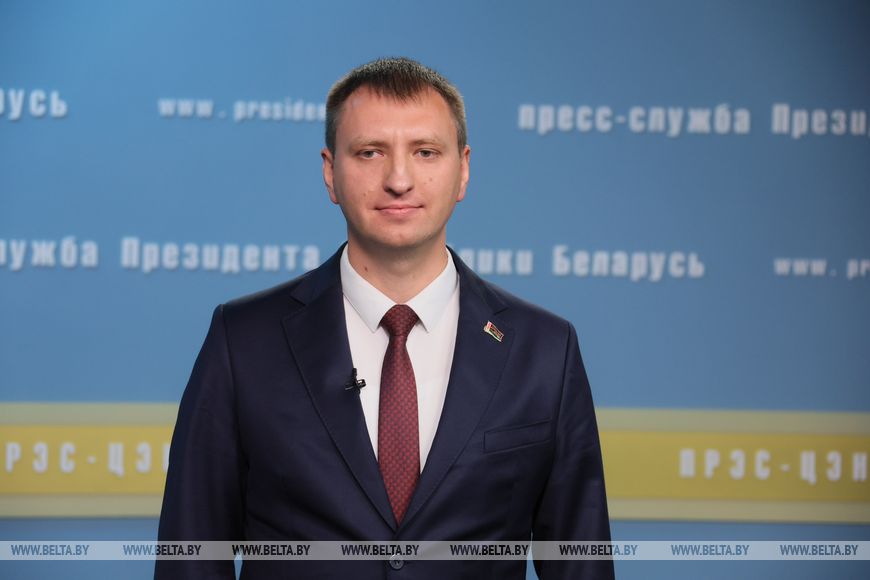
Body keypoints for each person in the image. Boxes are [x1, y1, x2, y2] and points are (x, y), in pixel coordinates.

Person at [156, 57, 613, 579]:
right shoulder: (242, 342)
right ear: (330, 172)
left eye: (425, 152)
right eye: (370, 152)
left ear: (463, 170)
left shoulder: (545, 350)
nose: (399, 179)